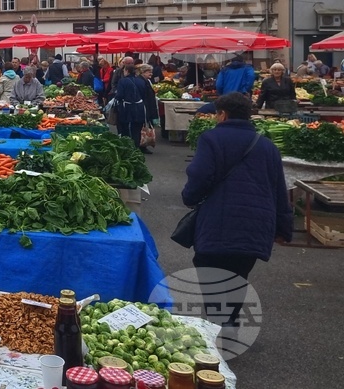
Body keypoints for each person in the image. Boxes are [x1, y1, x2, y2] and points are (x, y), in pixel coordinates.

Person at [181, 92, 293, 328]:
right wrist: (284, 227)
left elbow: (199, 175)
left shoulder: (211, 139)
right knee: (238, 274)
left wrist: (189, 197)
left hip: (218, 221)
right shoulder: (268, 146)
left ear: (223, 114)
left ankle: (220, 326)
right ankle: (228, 321)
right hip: (256, 224)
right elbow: (279, 190)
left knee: (211, 273)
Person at [114, 61, 158, 152]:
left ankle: (127, 147)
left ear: (126, 71)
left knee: (125, 127)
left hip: (127, 108)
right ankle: (136, 146)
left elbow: (119, 95)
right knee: (137, 128)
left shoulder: (123, 81)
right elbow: (144, 95)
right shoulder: (141, 81)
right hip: (140, 107)